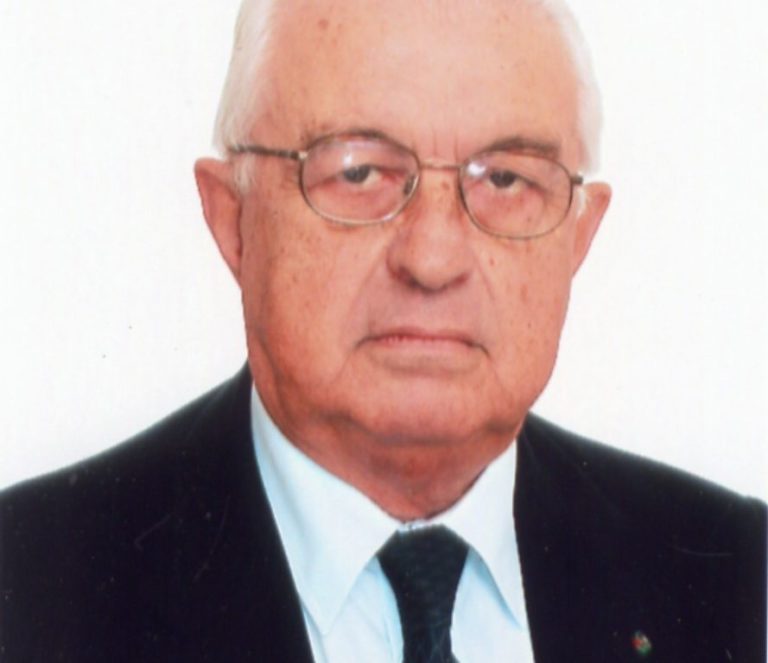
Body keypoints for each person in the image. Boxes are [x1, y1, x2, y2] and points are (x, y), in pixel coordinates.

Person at [1, 0, 764, 661]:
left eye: (506, 179)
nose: (432, 258)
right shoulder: (32, 587)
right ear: (233, 220)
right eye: (358, 173)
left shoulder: (735, 574)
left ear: (579, 236)